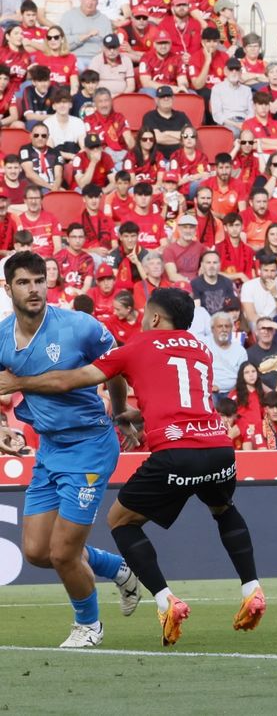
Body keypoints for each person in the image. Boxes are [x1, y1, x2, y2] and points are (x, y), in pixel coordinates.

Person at [0, 287, 266, 647]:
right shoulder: (201, 349)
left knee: (121, 521)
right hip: (219, 448)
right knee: (223, 509)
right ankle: (251, 587)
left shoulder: (137, 346)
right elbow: (181, 395)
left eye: (145, 312)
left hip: (175, 452)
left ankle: (164, 600)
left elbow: (66, 380)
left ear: (155, 318)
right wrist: (136, 414)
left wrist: (18, 382)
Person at [0, 251, 140, 648]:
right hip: (49, 449)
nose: (34, 289)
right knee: (36, 552)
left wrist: (118, 411)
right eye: (24, 282)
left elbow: (115, 365)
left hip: (90, 445)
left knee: (63, 553)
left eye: (39, 280)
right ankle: (118, 568)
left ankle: (89, 627)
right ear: (8, 288)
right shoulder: (2, 336)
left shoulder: (78, 326)